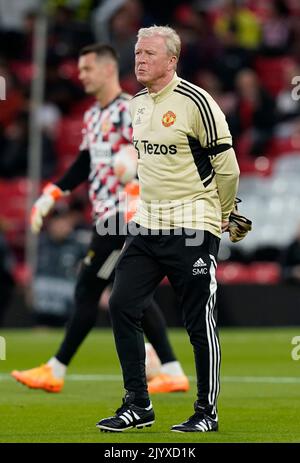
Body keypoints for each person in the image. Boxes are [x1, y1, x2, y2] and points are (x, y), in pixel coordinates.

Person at [11, 43, 189, 395]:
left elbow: (162, 150)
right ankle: (171, 370)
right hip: (107, 214)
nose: (81, 75)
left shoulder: (132, 110)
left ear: (108, 70)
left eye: (87, 68)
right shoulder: (94, 115)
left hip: (124, 216)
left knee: (88, 289)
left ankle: (56, 369)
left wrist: (137, 175)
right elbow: (83, 163)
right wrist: (51, 194)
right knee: (129, 293)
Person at [96, 26, 240, 433]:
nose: (139, 59)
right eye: (138, 53)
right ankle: (138, 404)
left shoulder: (197, 101)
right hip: (147, 225)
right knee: (122, 303)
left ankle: (205, 413)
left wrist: (226, 213)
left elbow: (227, 167)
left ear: (172, 60)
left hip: (193, 225)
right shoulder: (138, 104)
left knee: (198, 321)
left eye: (149, 54)